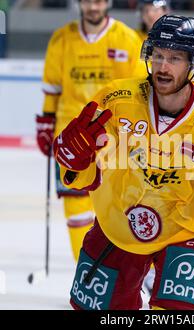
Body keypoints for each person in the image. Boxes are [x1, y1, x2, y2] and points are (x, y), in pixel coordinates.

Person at [53, 15, 194, 310]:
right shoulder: (115, 100)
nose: (162, 66)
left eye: (174, 57)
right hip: (118, 224)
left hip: (190, 230)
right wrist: (74, 162)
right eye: (158, 55)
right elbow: (88, 172)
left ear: (193, 64)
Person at [36, 0, 145, 261]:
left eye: (98, 1)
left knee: (116, 207)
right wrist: (45, 123)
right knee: (75, 206)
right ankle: (84, 273)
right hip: (70, 135)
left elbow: (141, 90)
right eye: (87, 1)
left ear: (107, 3)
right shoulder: (62, 39)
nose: (93, 7)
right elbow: (52, 88)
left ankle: (116, 273)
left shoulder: (127, 39)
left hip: (114, 139)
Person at [136, 0, 194, 88]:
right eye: (146, 10)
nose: (150, 14)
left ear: (165, 11)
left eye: (155, 10)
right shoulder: (130, 37)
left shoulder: (189, 42)